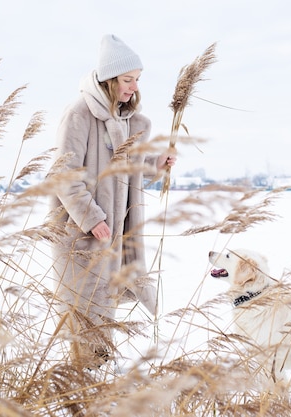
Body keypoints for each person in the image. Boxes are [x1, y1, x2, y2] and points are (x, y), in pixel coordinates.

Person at [50, 34, 176, 367]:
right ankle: (79, 383)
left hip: (115, 234)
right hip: (84, 235)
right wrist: (92, 218)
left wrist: (155, 165)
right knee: (85, 316)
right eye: (127, 79)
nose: (134, 86)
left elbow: (125, 169)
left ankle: (95, 380)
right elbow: (64, 174)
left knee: (104, 315)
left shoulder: (124, 121)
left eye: (137, 79)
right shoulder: (79, 115)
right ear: (109, 79)